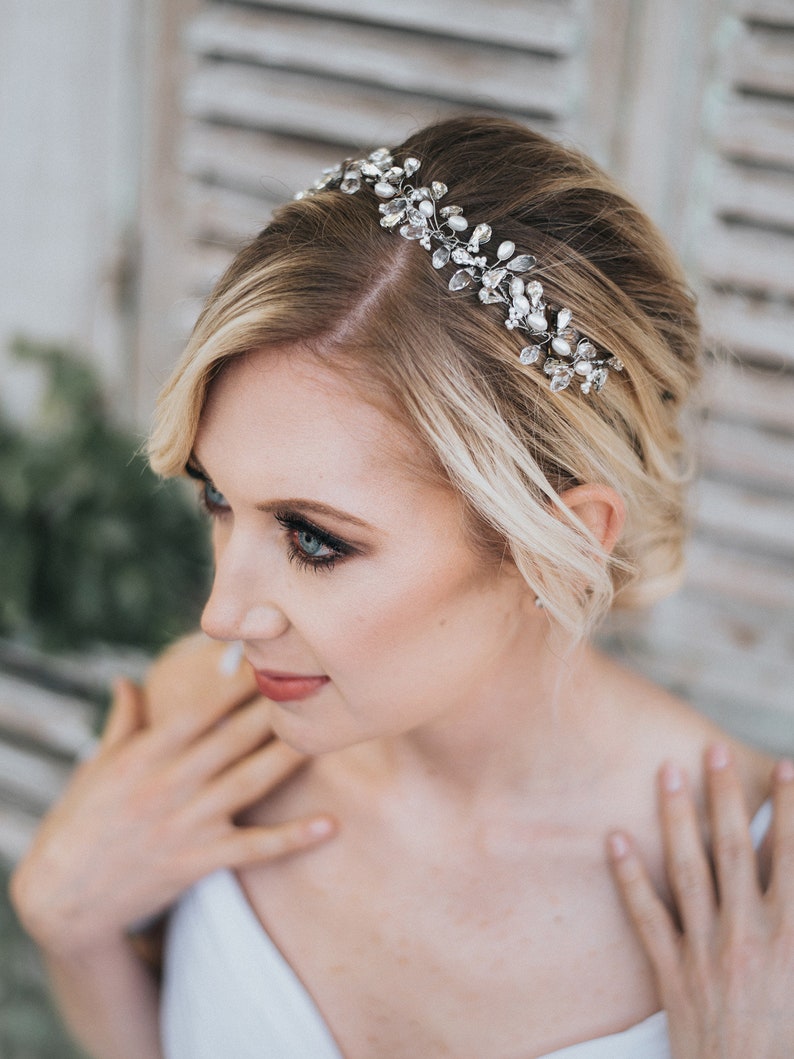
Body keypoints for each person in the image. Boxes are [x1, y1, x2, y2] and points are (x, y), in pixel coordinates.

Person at [10, 115, 794, 1059]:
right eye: (219, 498)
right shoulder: (199, 729)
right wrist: (75, 934)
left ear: (558, 543)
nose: (221, 614)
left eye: (314, 539)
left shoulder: (762, 897)